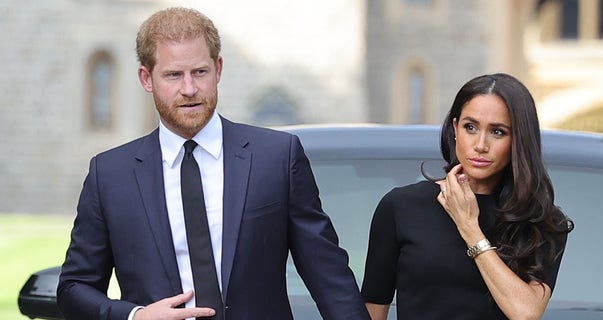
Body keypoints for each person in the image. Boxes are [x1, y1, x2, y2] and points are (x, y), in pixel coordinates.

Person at [57, 7, 370, 320]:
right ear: (146, 78)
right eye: (173, 75)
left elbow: (327, 274)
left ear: (218, 69)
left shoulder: (276, 157)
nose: (189, 89)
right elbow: (74, 288)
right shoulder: (110, 175)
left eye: (199, 72)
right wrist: (135, 316)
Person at [361, 73, 573, 319]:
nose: (481, 144)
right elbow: (373, 310)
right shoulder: (401, 207)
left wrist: (469, 226)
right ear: (455, 128)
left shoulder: (540, 221)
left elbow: (525, 312)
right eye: (470, 127)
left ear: (518, 140)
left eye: (498, 132)